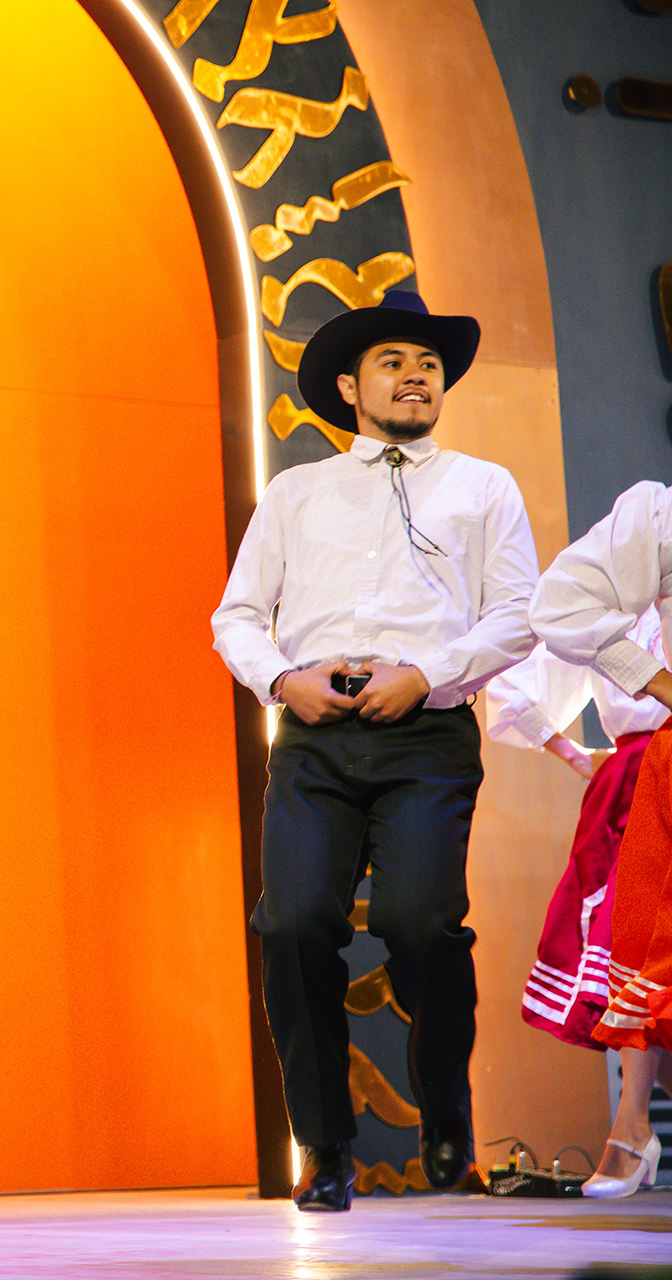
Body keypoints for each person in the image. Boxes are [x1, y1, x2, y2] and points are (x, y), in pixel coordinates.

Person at [211, 290, 539, 1211]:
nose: (416, 375)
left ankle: (446, 1107)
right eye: (394, 362)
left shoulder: (483, 486)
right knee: (292, 924)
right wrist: (283, 681)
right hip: (316, 732)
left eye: (428, 364)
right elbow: (237, 615)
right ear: (351, 387)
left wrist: (427, 674)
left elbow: (520, 614)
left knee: (419, 922)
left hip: (426, 732)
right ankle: (324, 1148)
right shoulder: (297, 491)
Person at [529, 481, 672, 1198]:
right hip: (646, 767)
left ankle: (632, 1127)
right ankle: (630, 1123)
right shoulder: (654, 520)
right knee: (642, 944)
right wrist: (654, 682)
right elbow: (553, 620)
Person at [484, 614, 665, 1051]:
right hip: (641, 776)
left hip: (644, 772)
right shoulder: (610, 610)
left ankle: (640, 1098)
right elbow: (513, 691)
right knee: (636, 936)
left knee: (645, 936)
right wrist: (573, 754)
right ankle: (635, 1098)